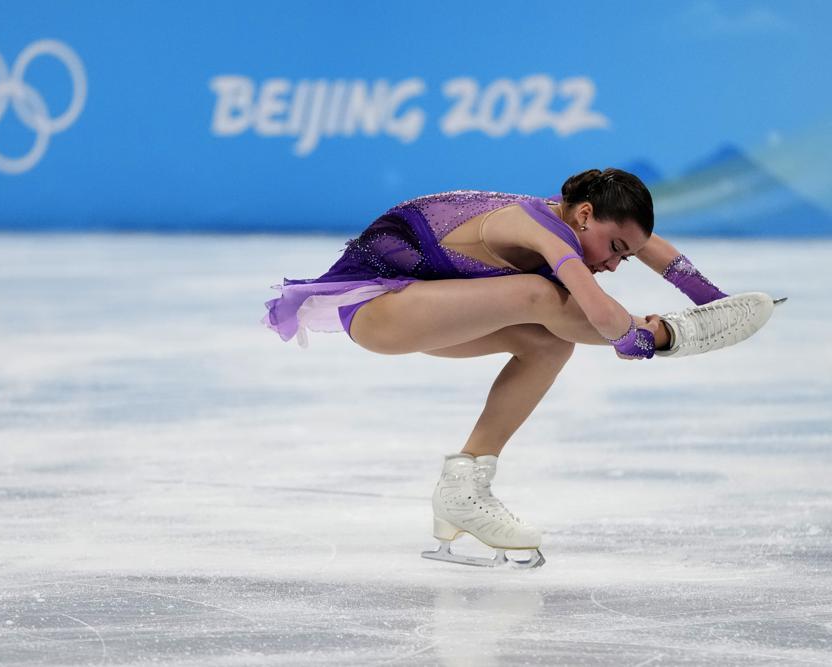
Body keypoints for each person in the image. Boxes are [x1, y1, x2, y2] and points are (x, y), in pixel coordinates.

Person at [262, 168, 775, 568]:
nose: (618, 262)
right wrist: (654, 337)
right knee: (539, 295)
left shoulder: (585, 220)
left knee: (551, 345)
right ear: (584, 216)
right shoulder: (539, 229)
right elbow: (595, 307)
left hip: (431, 308)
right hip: (379, 309)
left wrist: (722, 306)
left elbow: (657, 256)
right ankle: (672, 335)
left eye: (627, 255)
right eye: (615, 250)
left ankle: (463, 487)